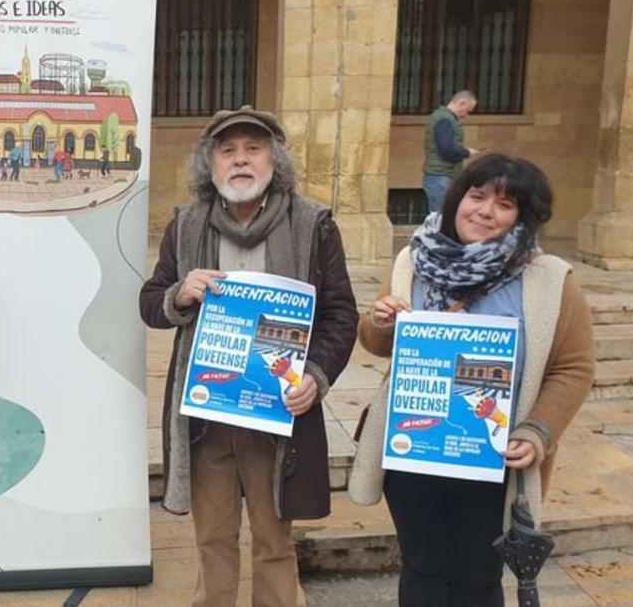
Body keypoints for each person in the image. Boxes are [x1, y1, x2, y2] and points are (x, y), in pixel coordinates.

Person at [349, 154, 596, 606]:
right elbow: (375, 342)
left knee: (477, 577)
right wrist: (380, 321)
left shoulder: (550, 279)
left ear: (524, 216)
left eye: (503, 204)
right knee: (422, 569)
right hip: (414, 449)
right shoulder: (413, 260)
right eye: (476, 196)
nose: (484, 210)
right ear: (456, 199)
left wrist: (538, 430)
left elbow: (574, 368)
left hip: (491, 457)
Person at [139, 106, 359, 606]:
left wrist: (317, 376)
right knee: (212, 540)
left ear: (274, 161)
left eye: (253, 148)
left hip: (276, 417)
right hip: (206, 417)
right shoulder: (187, 226)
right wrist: (179, 293)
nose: (240, 160)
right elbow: (150, 303)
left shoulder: (313, 225)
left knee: (274, 543)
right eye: (227, 150)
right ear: (209, 164)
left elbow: (341, 315)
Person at [423, 90, 480, 213]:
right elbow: (446, 149)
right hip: (441, 177)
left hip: (440, 176)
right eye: (468, 110)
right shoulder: (445, 119)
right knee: (441, 219)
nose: (466, 116)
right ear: (462, 103)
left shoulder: (443, 117)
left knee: (441, 217)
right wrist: (466, 152)